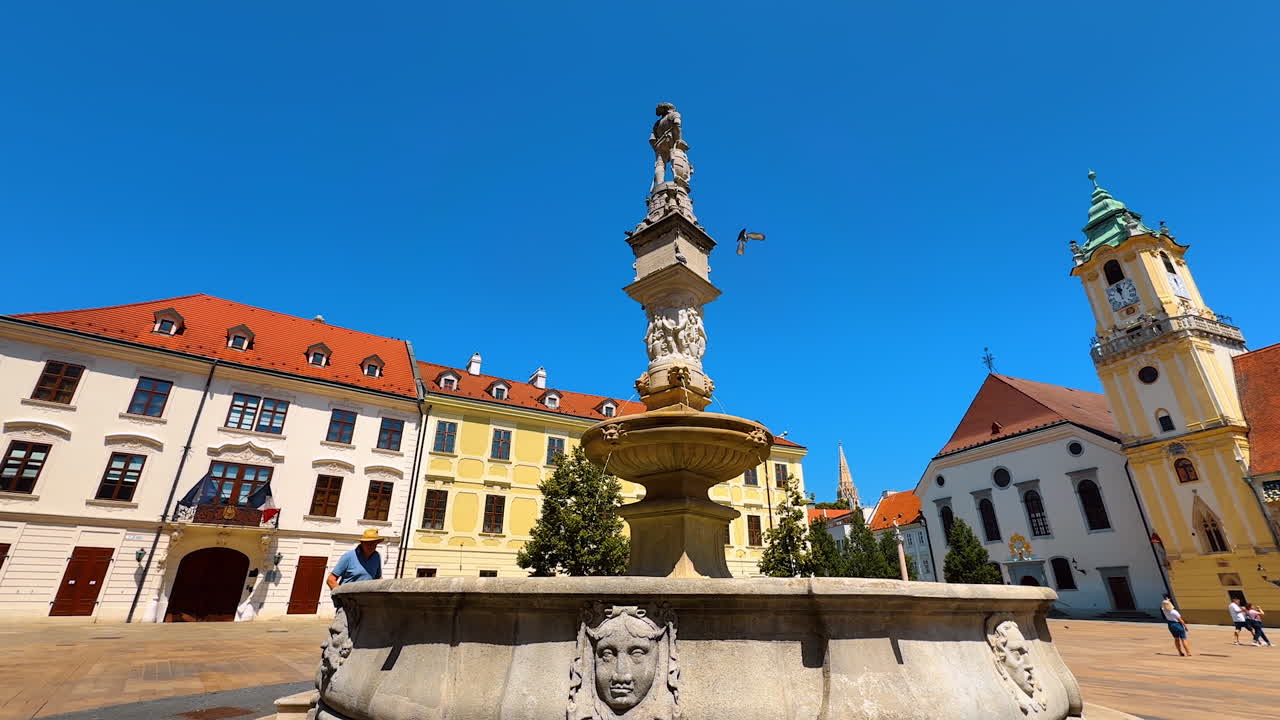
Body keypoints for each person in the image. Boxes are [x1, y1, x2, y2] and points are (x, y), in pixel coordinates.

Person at [328, 528, 384, 594]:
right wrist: (341, 596)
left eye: (374, 543)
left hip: (366, 599)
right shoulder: (349, 556)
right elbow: (331, 580)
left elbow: (378, 578)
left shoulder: (376, 556)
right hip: (347, 599)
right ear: (362, 543)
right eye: (368, 543)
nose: (371, 545)